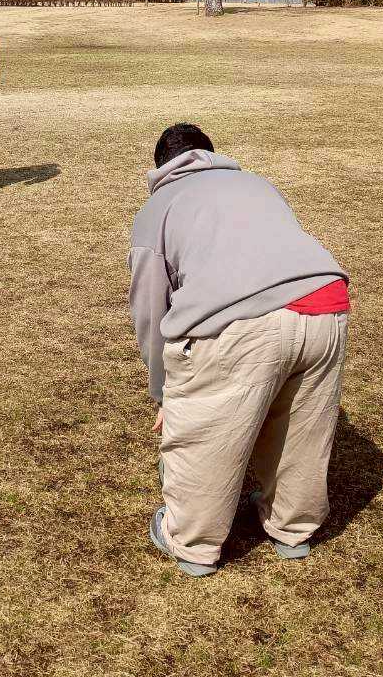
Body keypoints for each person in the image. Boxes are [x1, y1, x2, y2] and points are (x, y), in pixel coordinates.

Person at [129, 123, 350, 577]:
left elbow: (150, 310)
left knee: (208, 430)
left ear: (161, 169)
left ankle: (191, 543)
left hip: (242, 324)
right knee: (303, 426)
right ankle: (293, 529)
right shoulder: (257, 183)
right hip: (325, 303)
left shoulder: (157, 208)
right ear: (211, 156)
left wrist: (165, 392)